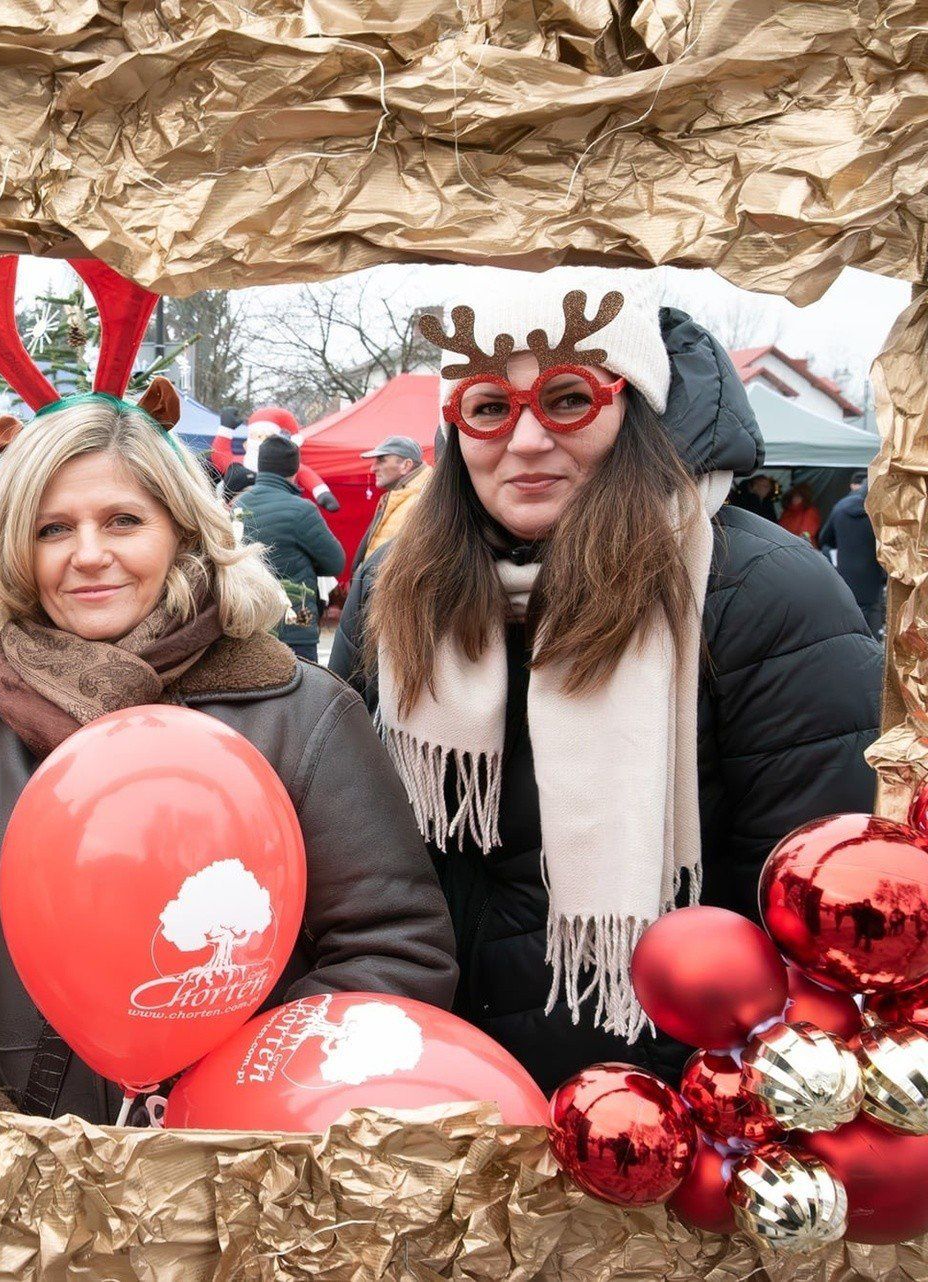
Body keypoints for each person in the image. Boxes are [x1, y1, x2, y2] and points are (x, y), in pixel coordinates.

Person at [330, 268, 881, 1090]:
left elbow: (810, 903)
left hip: (654, 1097)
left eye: (567, 399)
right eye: (487, 407)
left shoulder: (760, 591)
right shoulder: (397, 586)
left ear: (635, 409)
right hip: (426, 1077)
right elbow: (346, 839)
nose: (524, 442)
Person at [0, 391, 457, 1122]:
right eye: (53, 528)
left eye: (124, 521)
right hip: (23, 1195)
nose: (89, 554)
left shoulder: (302, 717)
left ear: (182, 532)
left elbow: (393, 949)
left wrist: (239, 1109)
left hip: (238, 1185)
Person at [234, 434, 345, 663]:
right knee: (301, 693)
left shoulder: (236, 506)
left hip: (249, 621)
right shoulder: (302, 511)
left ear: (260, 465)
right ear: (295, 471)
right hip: (295, 624)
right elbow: (336, 562)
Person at [819, 471, 886, 638]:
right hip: (873, 576)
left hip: (846, 574)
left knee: (849, 618)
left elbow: (824, 539)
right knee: (872, 624)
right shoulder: (879, 512)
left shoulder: (840, 507)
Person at [353, 435, 431, 567]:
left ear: (406, 465)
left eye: (381, 460)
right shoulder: (399, 497)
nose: (373, 468)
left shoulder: (423, 502)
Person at [777, 481, 822, 547]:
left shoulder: (810, 512)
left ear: (805, 498)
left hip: (803, 547)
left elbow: (806, 533)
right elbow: (780, 528)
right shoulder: (787, 511)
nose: (795, 499)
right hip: (785, 546)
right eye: (794, 496)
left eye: (798, 497)